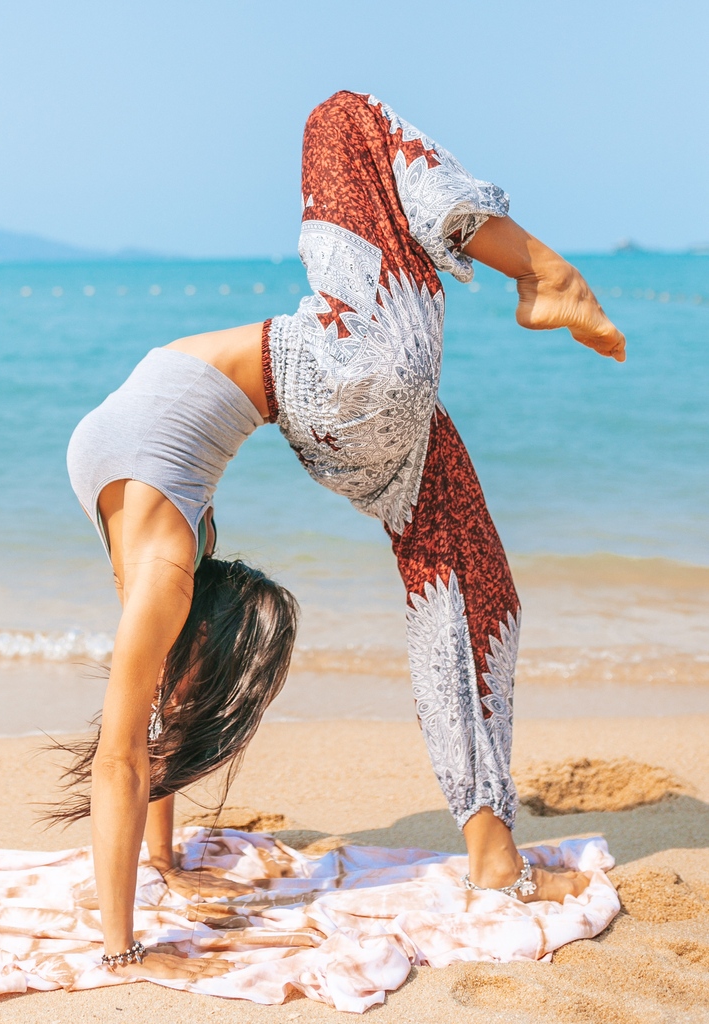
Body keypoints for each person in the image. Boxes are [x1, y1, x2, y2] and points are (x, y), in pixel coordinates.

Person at [62, 90, 626, 980]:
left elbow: (148, 724)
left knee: (464, 587)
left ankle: (493, 852)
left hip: (347, 411)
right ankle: (547, 274)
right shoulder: (167, 564)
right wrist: (120, 949)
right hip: (345, 372)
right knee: (344, 118)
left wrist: (162, 862)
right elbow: (120, 760)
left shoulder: (153, 571)